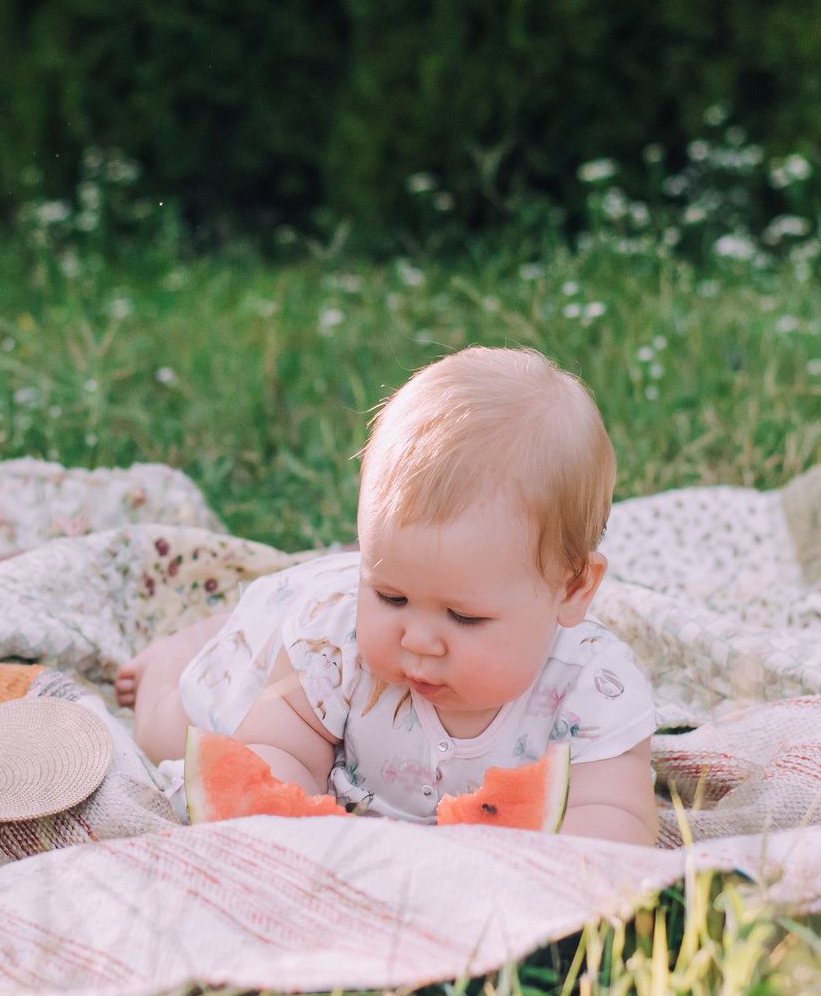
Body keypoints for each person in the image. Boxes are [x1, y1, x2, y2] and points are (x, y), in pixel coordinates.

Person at [118, 346, 658, 845]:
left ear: (573, 588)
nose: (418, 640)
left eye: (464, 616)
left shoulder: (593, 689)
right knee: (166, 732)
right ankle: (180, 651)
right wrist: (284, 825)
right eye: (391, 598)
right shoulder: (335, 645)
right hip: (272, 653)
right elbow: (273, 754)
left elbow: (618, 820)